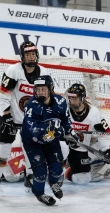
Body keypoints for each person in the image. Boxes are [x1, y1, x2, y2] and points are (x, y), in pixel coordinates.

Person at [0, 41, 49, 197]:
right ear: (22, 56)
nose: (31, 57)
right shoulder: (13, 71)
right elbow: (3, 95)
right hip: (11, 116)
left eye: (33, 54)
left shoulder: (44, 72)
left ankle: (30, 176)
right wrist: (6, 115)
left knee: (31, 148)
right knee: (3, 147)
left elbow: (48, 97)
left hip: (31, 119)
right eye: (27, 54)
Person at [20, 75, 78, 206]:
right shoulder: (31, 105)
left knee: (57, 170)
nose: (40, 92)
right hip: (32, 142)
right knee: (40, 172)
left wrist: (70, 134)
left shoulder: (61, 102)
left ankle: (53, 183)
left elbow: (66, 122)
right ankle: (39, 193)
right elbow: (33, 129)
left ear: (51, 89)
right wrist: (53, 130)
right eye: (37, 89)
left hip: (50, 142)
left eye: (43, 89)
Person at [64, 83, 110, 184]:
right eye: (71, 98)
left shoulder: (93, 113)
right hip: (65, 146)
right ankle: (60, 163)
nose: (72, 101)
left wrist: (105, 150)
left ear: (82, 98)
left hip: (82, 148)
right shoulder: (65, 110)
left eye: (75, 98)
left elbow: (105, 133)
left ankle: (67, 172)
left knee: (84, 180)